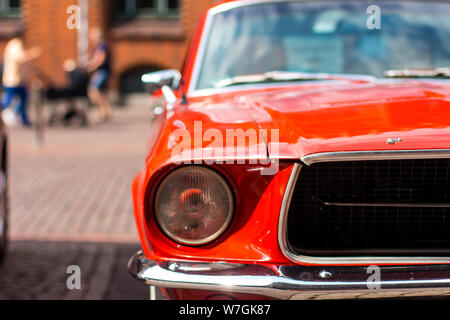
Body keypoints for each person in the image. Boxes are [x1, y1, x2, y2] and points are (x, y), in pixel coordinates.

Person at [1, 31, 41, 127]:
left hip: (18, 80)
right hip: (13, 80)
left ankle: (24, 120)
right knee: (9, 100)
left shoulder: (16, 44)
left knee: (22, 100)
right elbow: (19, 57)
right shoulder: (15, 44)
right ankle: (23, 120)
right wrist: (33, 53)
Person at [87, 28, 112, 122]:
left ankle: (102, 111)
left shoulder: (101, 46)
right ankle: (106, 111)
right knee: (101, 92)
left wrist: (91, 66)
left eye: (91, 36)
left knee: (93, 91)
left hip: (102, 72)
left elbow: (100, 58)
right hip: (104, 71)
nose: (90, 38)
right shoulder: (101, 45)